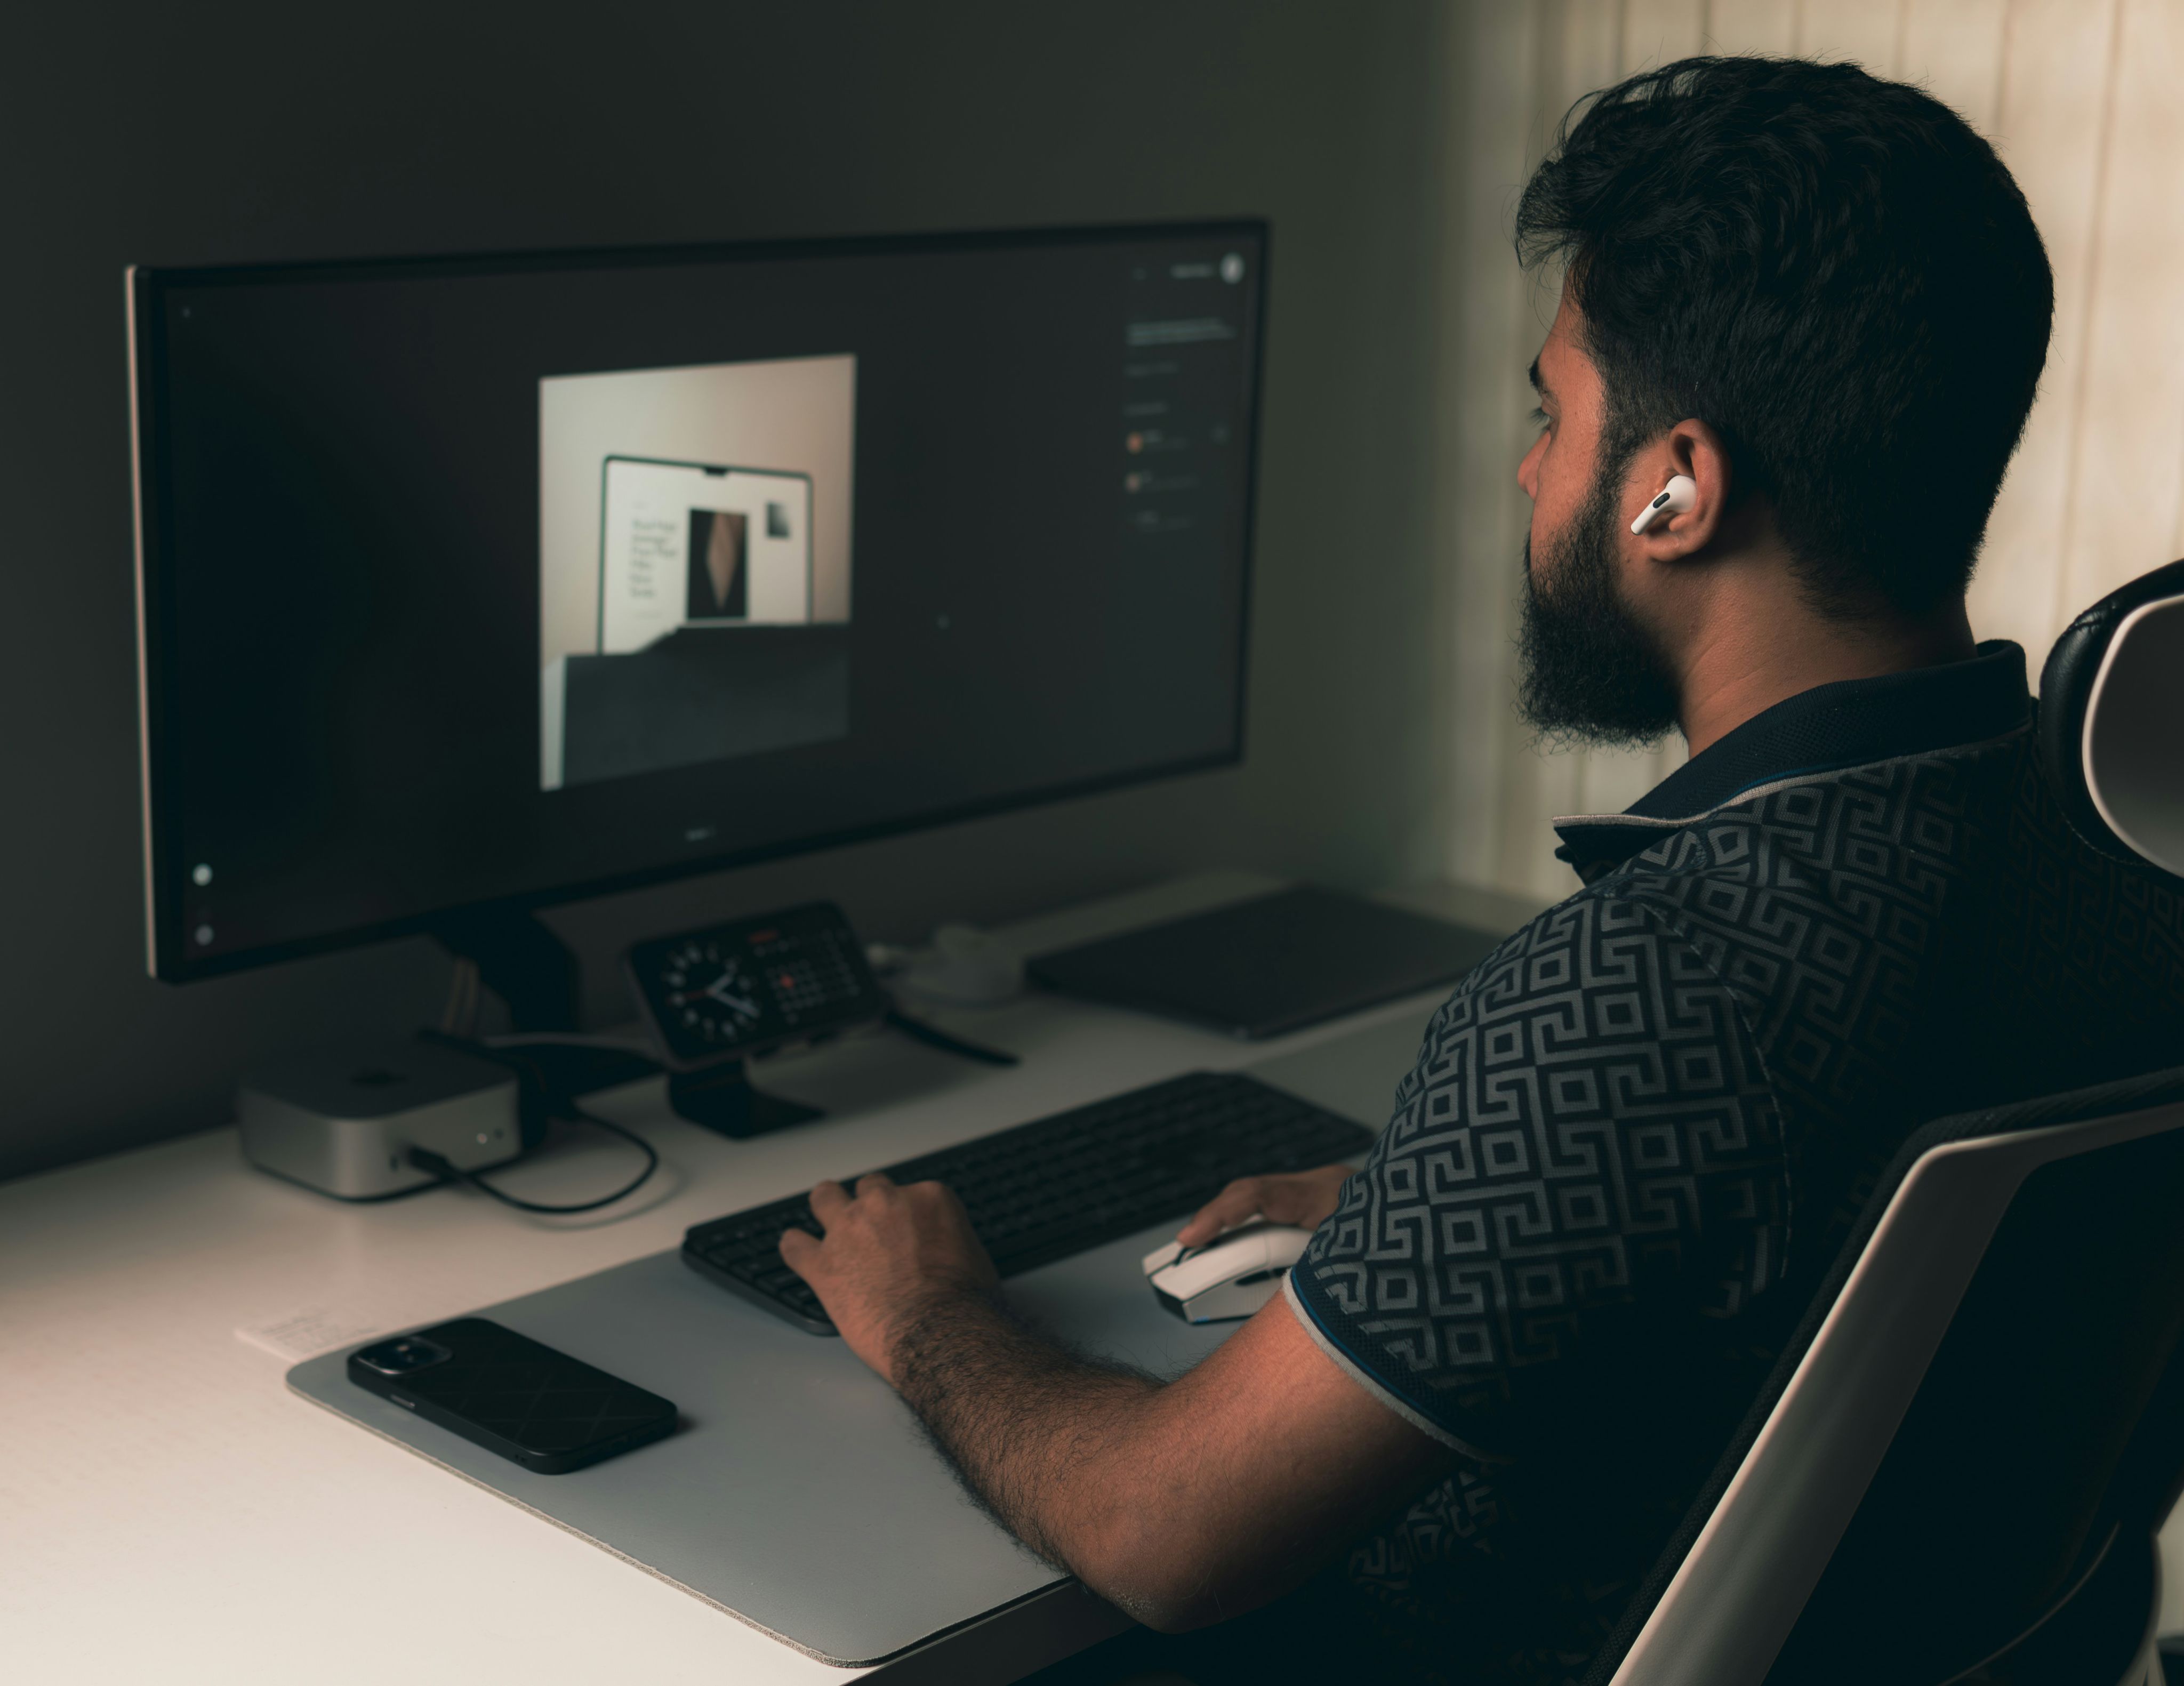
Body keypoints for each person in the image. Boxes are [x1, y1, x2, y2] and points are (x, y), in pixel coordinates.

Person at [778, 57, 2184, 1685]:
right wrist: (1462, 1210)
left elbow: (1165, 1531)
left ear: (1674, 489)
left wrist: (931, 1310)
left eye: (1553, 413)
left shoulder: (1654, 981)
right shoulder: (2117, 872)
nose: (1529, 471)